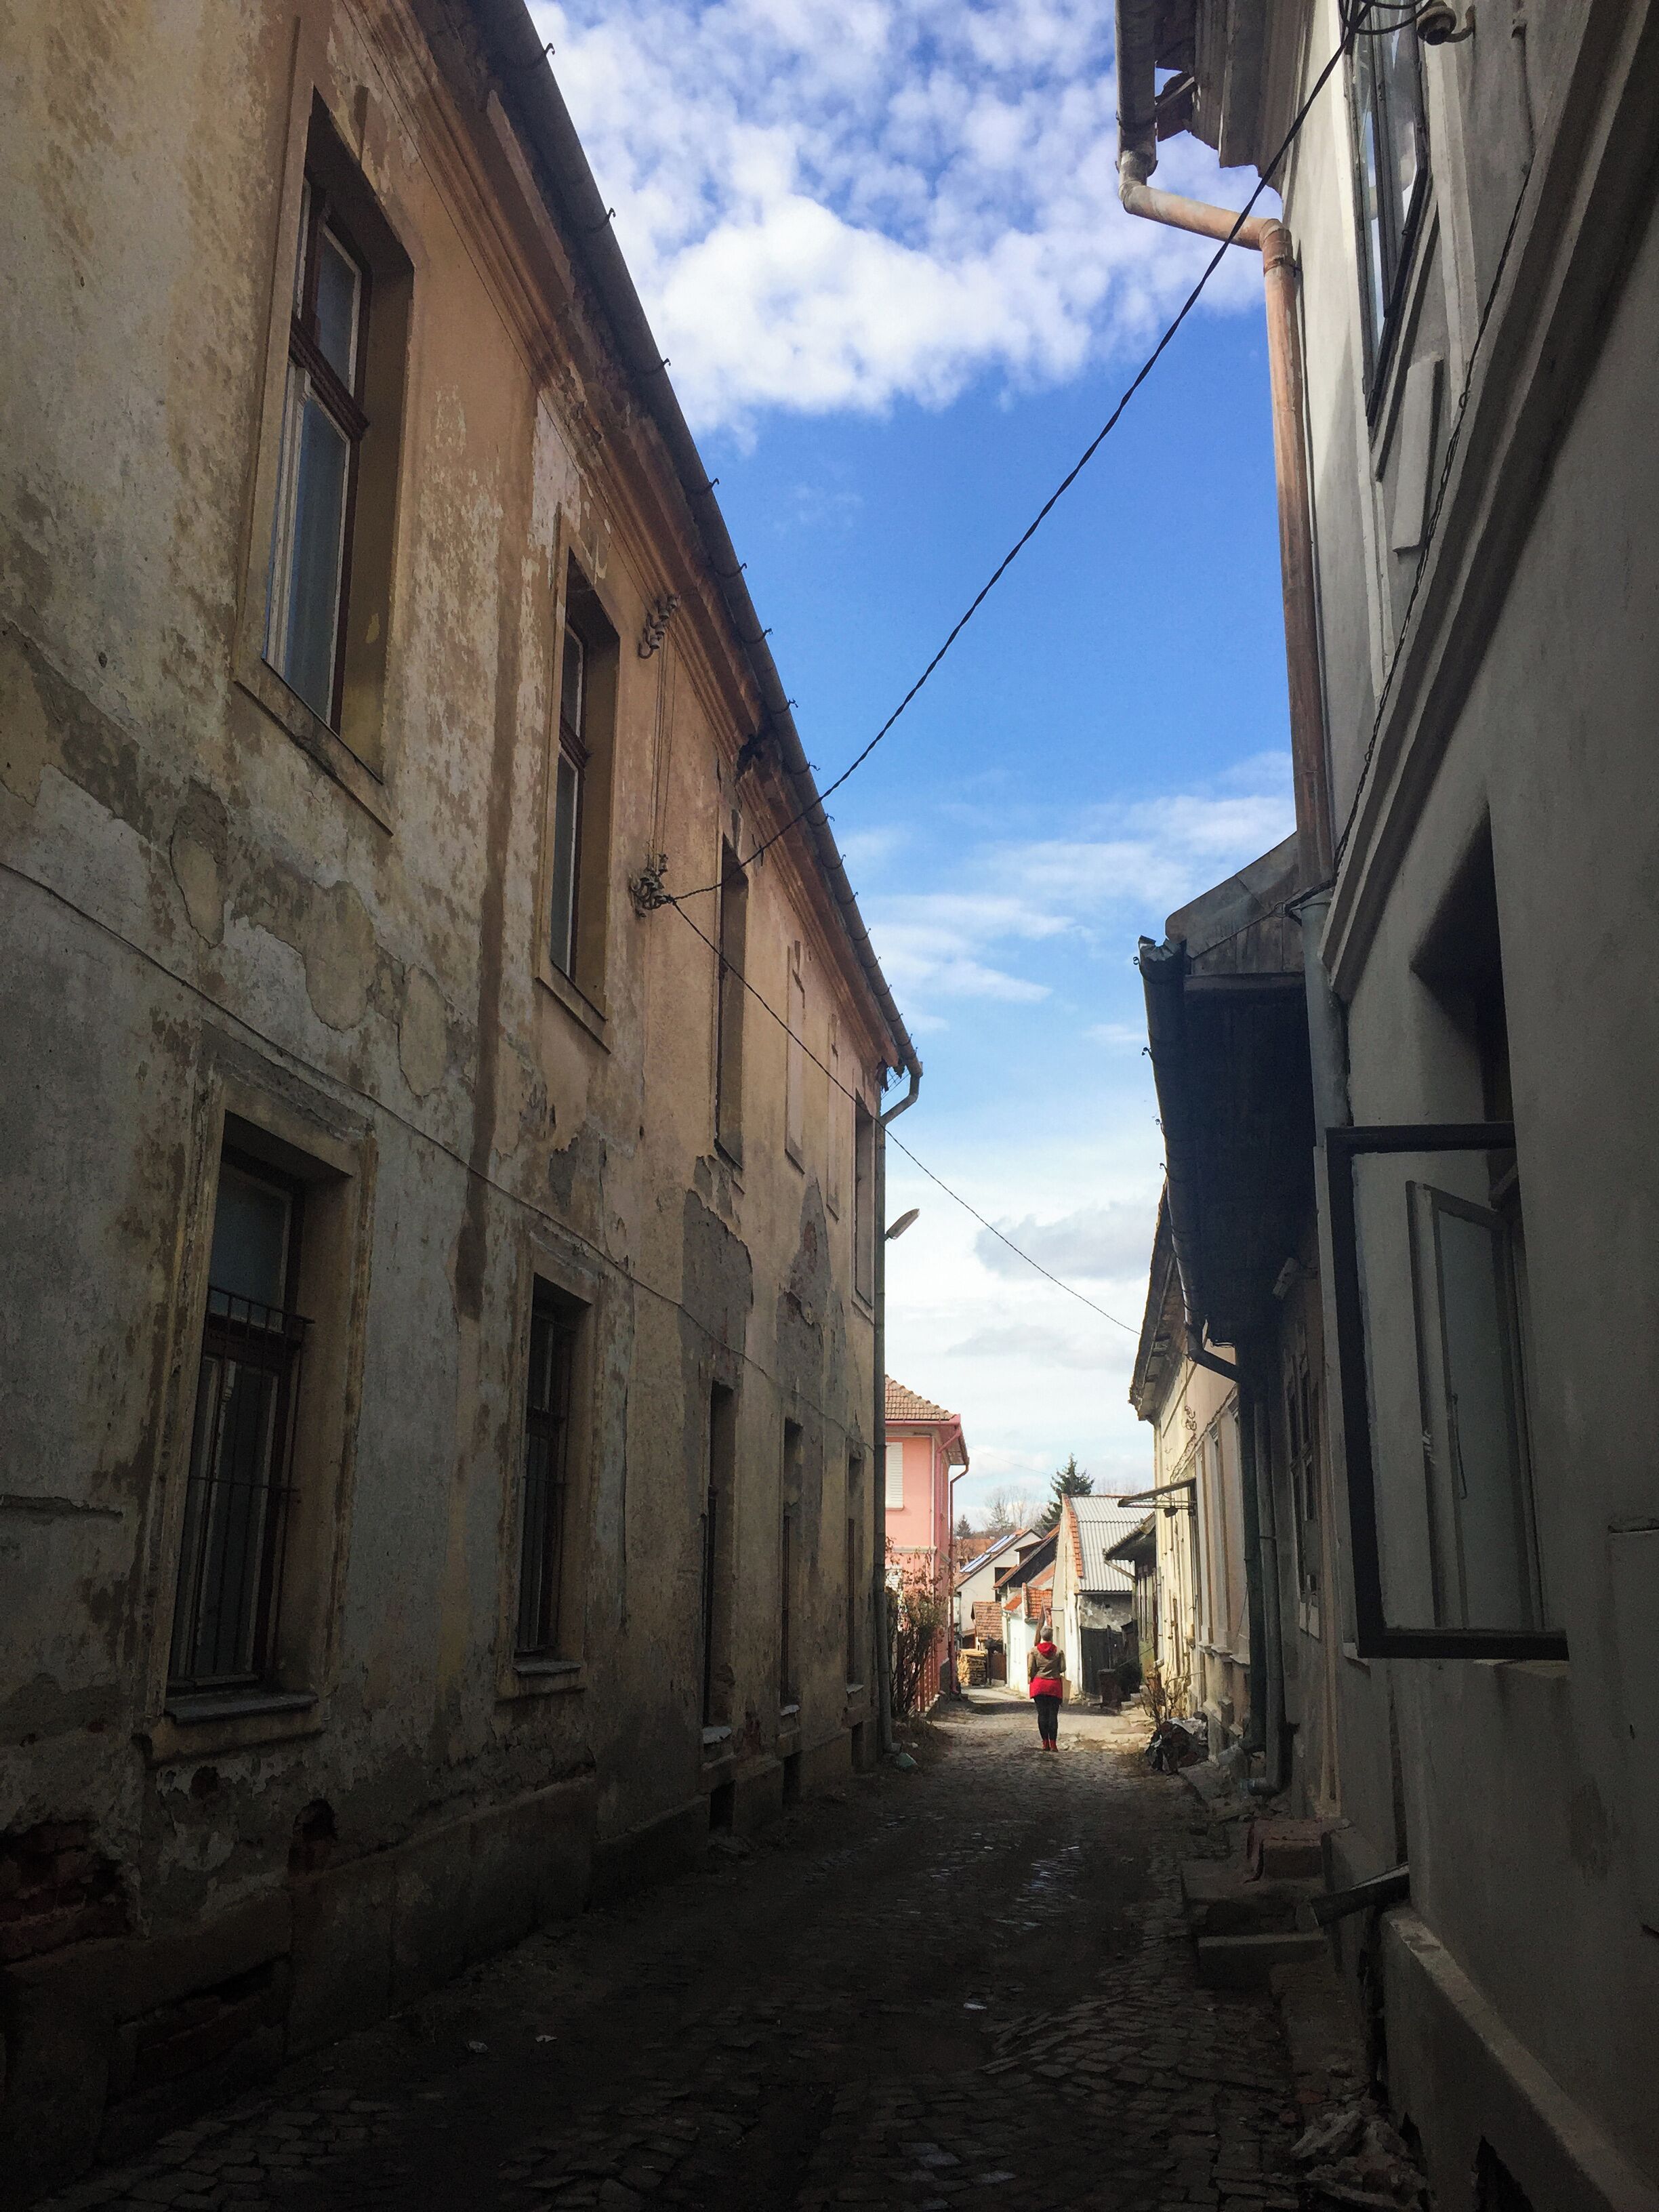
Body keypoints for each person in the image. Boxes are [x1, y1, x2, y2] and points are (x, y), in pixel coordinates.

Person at [1027, 1624, 1065, 1750]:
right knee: (1053, 1715)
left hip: (1039, 1686)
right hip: (1054, 1685)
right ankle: (1054, 1744)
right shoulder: (1059, 1652)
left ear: (1042, 1636)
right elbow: (1063, 1668)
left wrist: (1033, 1676)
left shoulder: (1034, 1651)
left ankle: (1045, 1743)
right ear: (1052, 1636)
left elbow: (1030, 1669)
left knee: (1042, 1714)